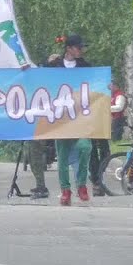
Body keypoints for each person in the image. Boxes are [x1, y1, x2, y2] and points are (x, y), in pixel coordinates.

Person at [46, 35, 94, 206]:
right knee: (63, 154)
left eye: (82, 48)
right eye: (78, 47)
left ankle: (81, 184)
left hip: (80, 116)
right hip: (61, 115)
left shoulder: (86, 67)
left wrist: (107, 86)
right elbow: (39, 81)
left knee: (85, 146)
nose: (81, 51)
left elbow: (95, 84)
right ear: (69, 48)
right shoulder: (54, 66)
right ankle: (65, 190)